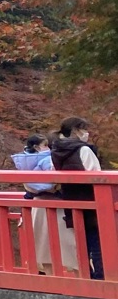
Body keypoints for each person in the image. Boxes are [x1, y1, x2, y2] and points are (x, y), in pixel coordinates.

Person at [51, 116, 106, 280]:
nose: (86, 133)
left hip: (71, 200)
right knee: (98, 241)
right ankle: (102, 276)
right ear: (76, 130)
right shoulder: (83, 150)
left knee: (83, 241)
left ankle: (86, 276)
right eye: (84, 129)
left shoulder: (57, 150)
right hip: (91, 200)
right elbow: (95, 174)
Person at [15, 134, 72, 274]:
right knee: (68, 245)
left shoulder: (25, 162)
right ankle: (76, 279)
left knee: (43, 247)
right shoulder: (48, 160)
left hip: (37, 205)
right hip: (57, 204)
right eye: (45, 145)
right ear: (37, 146)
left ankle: (50, 278)